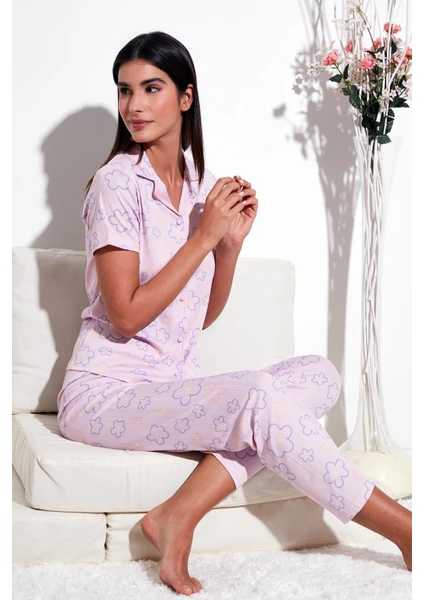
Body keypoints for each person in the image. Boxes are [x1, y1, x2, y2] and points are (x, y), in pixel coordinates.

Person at [56, 30, 412, 596]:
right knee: (258, 396)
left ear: (186, 97)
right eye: (125, 91)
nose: (135, 105)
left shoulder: (202, 185)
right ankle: (408, 531)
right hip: (105, 394)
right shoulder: (116, 184)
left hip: (170, 384)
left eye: (152, 88)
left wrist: (229, 247)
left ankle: (177, 513)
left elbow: (197, 317)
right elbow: (124, 316)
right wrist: (202, 238)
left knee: (319, 375)